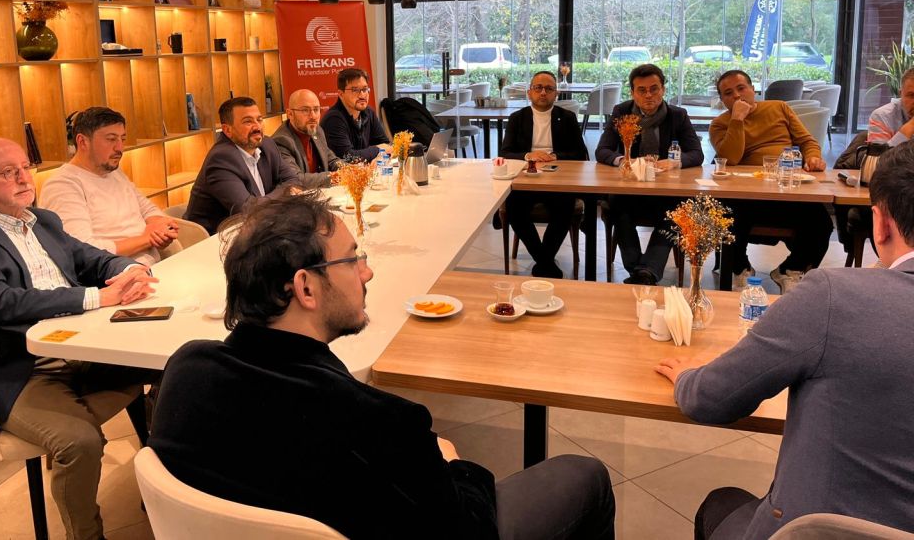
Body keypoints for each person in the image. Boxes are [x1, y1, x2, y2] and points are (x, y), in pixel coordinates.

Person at [149, 193, 616, 540]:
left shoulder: (186, 370)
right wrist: (455, 466)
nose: (367, 273)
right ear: (305, 288)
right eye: (353, 260)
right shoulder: (375, 420)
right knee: (583, 474)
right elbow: (466, 531)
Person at [655, 141, 914, 540]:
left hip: (818, 531)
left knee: (721, 504)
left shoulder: (834, 296)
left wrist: (687, 377)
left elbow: (711, 399)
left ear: (880, 223)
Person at [0, 135, 161, 540]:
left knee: (171, 368)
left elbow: (90, 257)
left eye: (25, 166)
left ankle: (164, 485)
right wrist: (97, 296)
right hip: (19, 368)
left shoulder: (42, 221)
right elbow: (1, 302)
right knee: (80, 442)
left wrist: (128, 271)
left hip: (77, 350)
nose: (23, 178)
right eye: (7, 172)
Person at [709, 70, 832, 290]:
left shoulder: (778, 108)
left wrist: (813, 156)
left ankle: (790, 269)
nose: (737, 96)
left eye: (741, 88)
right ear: (722, 100)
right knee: (728, 213)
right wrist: (737, 119)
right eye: (728, 93)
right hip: (745, 194)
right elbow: (731, 158)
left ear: (753, 89)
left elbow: (806, 141)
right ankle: (740, 269)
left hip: (785, 187)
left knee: (820, 220)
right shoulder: (720, 124)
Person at [595, 64, 703, 284]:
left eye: (654, 89)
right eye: (641, 90)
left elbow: (697, 153)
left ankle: (646, 271)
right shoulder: (622, 112)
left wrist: (675, 163)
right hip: (630, 189)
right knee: (618, 205)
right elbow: (602, 151)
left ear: (663, 89)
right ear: (633, 92)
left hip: (666, 190)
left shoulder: (677, 115)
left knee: (676, 211)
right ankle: (641, 270)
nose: (648, 95)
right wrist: (623, 160)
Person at [39, 107, 179, 267]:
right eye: (111, 139)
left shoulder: (114, 171)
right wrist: (147, 239)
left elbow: (147, 209)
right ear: (82, 141)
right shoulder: (63, 185)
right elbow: (83, 250)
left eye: (122, 139)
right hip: (113, 278)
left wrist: (161, 228)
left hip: (151, 267)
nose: (120, 148)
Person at [499, 70, 589, 278]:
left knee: (565, 206)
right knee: (513, 207)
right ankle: (545, 261)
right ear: (529, 93)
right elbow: (505, 152)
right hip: (527, 178)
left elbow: (580, 153)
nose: (543, 93)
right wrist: (530, 155)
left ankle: (543, 261)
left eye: (549, 89)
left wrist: (555, 155)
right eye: (538, 88)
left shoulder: (567, 118)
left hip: (557, 178)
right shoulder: (517, 118)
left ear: (556, 94)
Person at [184, 96, 300, 234]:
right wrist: (287, 192)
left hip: (258, 229)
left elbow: (295, 180)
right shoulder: (221, 159)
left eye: (259, 119)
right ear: (227, 130)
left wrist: (275, 197)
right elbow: (248, 210)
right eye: (248, 122)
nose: (257, 127)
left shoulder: (268, 145)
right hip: (215, 239)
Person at [272, 89, 343, 189]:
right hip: (298, 201)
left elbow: (332, 160)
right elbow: (296, 179)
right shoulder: (281, 141)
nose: (313, 116)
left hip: (321, 193)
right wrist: (336, 177)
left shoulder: (317, 130)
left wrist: (352, 170)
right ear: (290, 114)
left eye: (316, 109)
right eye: (305, 110)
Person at [321, 67, 391, 161]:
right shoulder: (333, 119)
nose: (362, 95)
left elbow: (386, 144)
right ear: (341, 94)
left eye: (365, 89)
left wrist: (377, 157)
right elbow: (347, 157)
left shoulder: (369, 112)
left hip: (366, 172)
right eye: (355, 90)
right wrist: (378, 149)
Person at [867, 67, 914, 145]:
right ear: (900, 94)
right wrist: (911, 126)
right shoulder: (882, 116)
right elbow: (877, 156)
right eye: (911, 95)